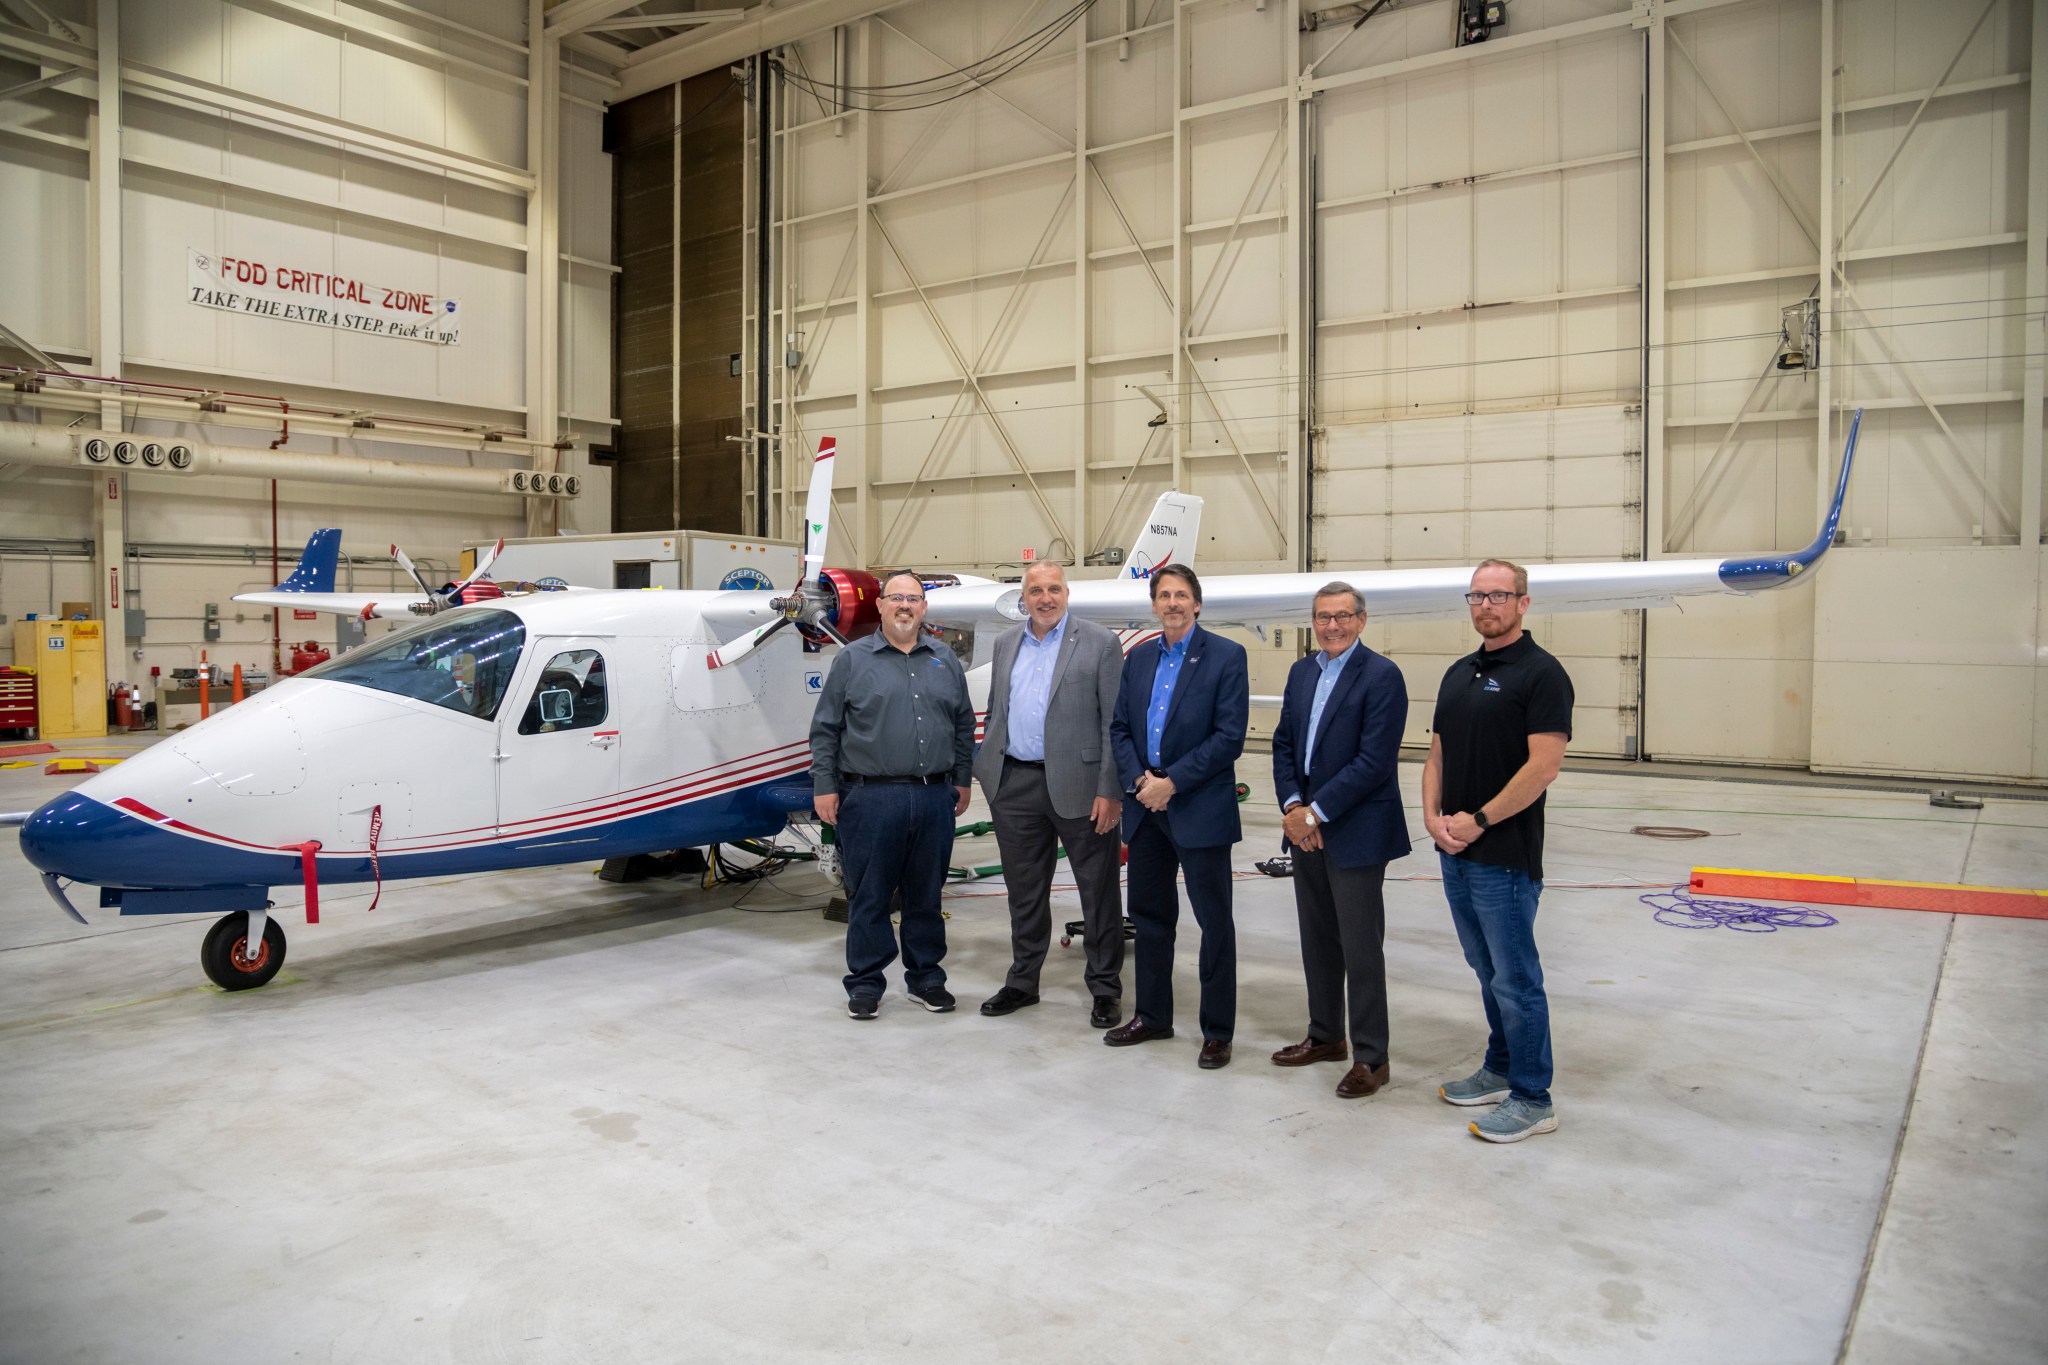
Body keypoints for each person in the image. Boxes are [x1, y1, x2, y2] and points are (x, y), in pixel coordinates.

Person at [1422, 558, 1574, 1142]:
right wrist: (1433, 818)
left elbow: (1543, 767)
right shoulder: (1458, 673)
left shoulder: (1542, 674)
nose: (1486, 606)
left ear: (1523, 603)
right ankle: (1501, 1067)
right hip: (1454, 850)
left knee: (1516, 978)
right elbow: (1436, 754)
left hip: (1503, 853)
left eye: (1498, 596)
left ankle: (1534, 1098)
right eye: (1476, 597)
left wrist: (1479, 820)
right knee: (1484, 968)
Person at [810, 572, 975, 1021]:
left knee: (927, 894)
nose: (905, 606)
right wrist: (824, 785)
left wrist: (962, 778)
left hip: (934, 796)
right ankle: (865, 983)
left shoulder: (945, 660)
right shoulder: (852, 660)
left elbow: (963, 725)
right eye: (897, 598)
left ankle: (927, 978)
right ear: (880, 605)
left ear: (925, 608)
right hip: (870, 798)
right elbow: (826, 729)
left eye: (914, 599)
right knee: (870, 894)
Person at [1104, 564, 1249, 1069]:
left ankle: (1217, 1031)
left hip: (1198, 806)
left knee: (1214, 922)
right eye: (1164, 595)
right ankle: (1153, 1016)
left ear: (1197, 603)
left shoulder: (1227, 656)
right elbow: (1120, 728)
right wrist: (1143, 783)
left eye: (1181, 595)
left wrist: (1173, 782)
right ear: (1154, 605)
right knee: (1149, 918)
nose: (1172, 603)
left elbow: (1229, 737)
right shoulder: (1140, 658)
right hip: (1147, 808)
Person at [1269, 582, 1410, 1100]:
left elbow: (1374, 762)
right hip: (1307, 830)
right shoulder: (1302, 672)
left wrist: (1315, 814)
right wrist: (1292, 807)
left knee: (1360, 947)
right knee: (1318, 940)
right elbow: (1284, 743)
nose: (1332, 626)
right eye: (1323, 617)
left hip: (1354, 830)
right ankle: (1326, 1035)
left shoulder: (1382, 676)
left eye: (1342, 617)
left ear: (1362, 620)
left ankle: (1372, 1057)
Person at [973, 562, 1128, 1028]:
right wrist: (988, 772)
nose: (1045, 598)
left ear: (1067, 593)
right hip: (1014, 784)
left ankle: (1104, 987)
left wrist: (1110, 789)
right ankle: (1023, 981)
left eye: (1053, 589)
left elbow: (1112, 724)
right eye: (1036, 590)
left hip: (1081, 787)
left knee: (1097, 892)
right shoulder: (1006, 644)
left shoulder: (1101, 643)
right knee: (1024, 892)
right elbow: (999, 710)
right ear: (1024, 597)